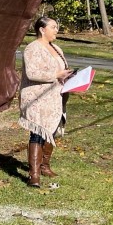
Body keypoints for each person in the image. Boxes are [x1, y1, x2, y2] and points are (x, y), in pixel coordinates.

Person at [19, 17, 75, 187]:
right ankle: (34, 175)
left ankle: (45, 166)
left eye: (56, 27)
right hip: (37, 98)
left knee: (52, 130)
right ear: (42, 29)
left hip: (56, 97)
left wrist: (70, 76)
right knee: (37, 133)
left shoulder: (56, 48)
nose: (56, 30)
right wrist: (57, 75)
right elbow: (32, 73)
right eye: (53, 27)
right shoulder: (32, 48)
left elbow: (61, 70)